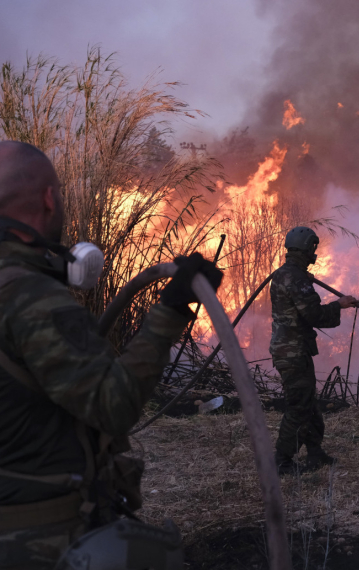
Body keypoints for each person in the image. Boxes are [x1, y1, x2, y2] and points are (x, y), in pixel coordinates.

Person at [0, 140, 222, 568]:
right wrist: (171, 312)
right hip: (35, 540)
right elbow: (113, 405)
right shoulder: (29, 297)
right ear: (49, 199)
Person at [270, 226, 357, 474]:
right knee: (299, 406)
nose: (314, 254)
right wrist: (339, 305)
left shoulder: (283, 274)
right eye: (314, 249)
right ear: (308, 249)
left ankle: (315, 453)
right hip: (293, 352)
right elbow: (315, 315)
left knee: (308, 402)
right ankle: (282, 461)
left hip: (288, 349)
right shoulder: (296, 278)